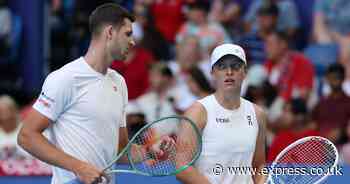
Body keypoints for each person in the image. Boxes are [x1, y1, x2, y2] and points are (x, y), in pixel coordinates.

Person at [17, 3, 137, 184]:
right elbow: (26, 136)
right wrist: (79, 167)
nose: (132, 41)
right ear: (110, 32)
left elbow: (119, 149)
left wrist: (151, 152)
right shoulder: (65, 78)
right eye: (128, 34)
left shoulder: (119, 82)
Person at [176, 44, 267, 184]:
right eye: (222, 66)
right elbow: (182, 167)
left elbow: (259, 165)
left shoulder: (257, 114)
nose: (229, 72)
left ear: (245, 72)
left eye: (235, 66)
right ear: (212, 72)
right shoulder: (197, 111)